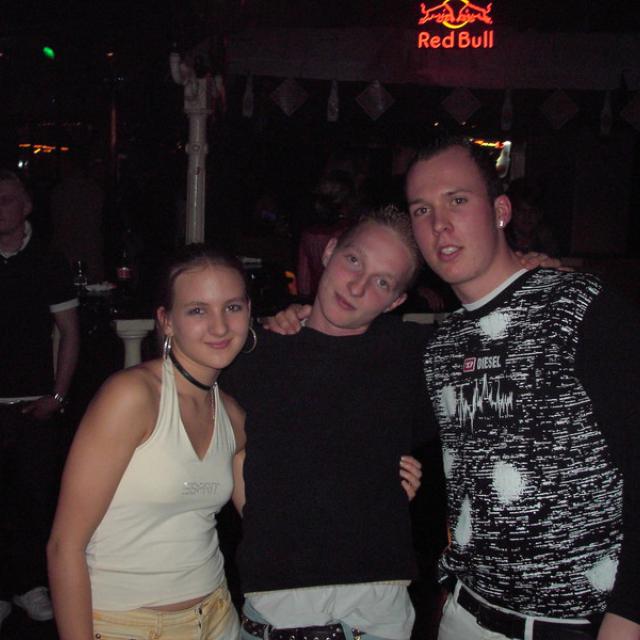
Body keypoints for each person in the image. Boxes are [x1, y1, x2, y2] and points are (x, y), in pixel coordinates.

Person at [405, 137, 640, 640]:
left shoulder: (578, 306)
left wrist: (630, 615)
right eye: (422, 209)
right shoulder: (442, 346)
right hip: (465, 615)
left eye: (457, 200)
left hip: (576, 626)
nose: (439, 224)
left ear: (500, 211)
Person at [222, 205, 434, 640]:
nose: (357, 286)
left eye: (381, 282)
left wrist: (533, 267)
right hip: (274, 606)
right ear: (330, 250)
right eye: (354, 260)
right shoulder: (255, 352)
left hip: (376, 609)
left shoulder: (410, 354)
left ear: (396, 301)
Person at [47, 245, 250, 640]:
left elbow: (270, 523)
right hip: (127, 625)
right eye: (198, 310)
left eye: (232, 307)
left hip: (218, 617)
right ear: (166, 321)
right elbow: (64, 546)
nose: (220, 326)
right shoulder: (132, 397)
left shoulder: (233, 415)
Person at [0, 170, 80, 629]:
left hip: (33, 403)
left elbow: (69, 332)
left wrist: (57, 395)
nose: (0, 209)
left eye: (7, 200)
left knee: (35, 501)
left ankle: (31, 585)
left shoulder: (48, 260)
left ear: (26, 205)